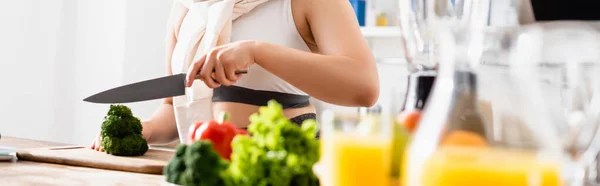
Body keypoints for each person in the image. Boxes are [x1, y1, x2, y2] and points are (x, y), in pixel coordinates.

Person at [91, 0, 379, 151]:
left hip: (281, 165)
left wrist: (256, 51)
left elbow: (364, 87)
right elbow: (172, 109)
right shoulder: (186, 8)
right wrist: (149, 129)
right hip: (206, 165)